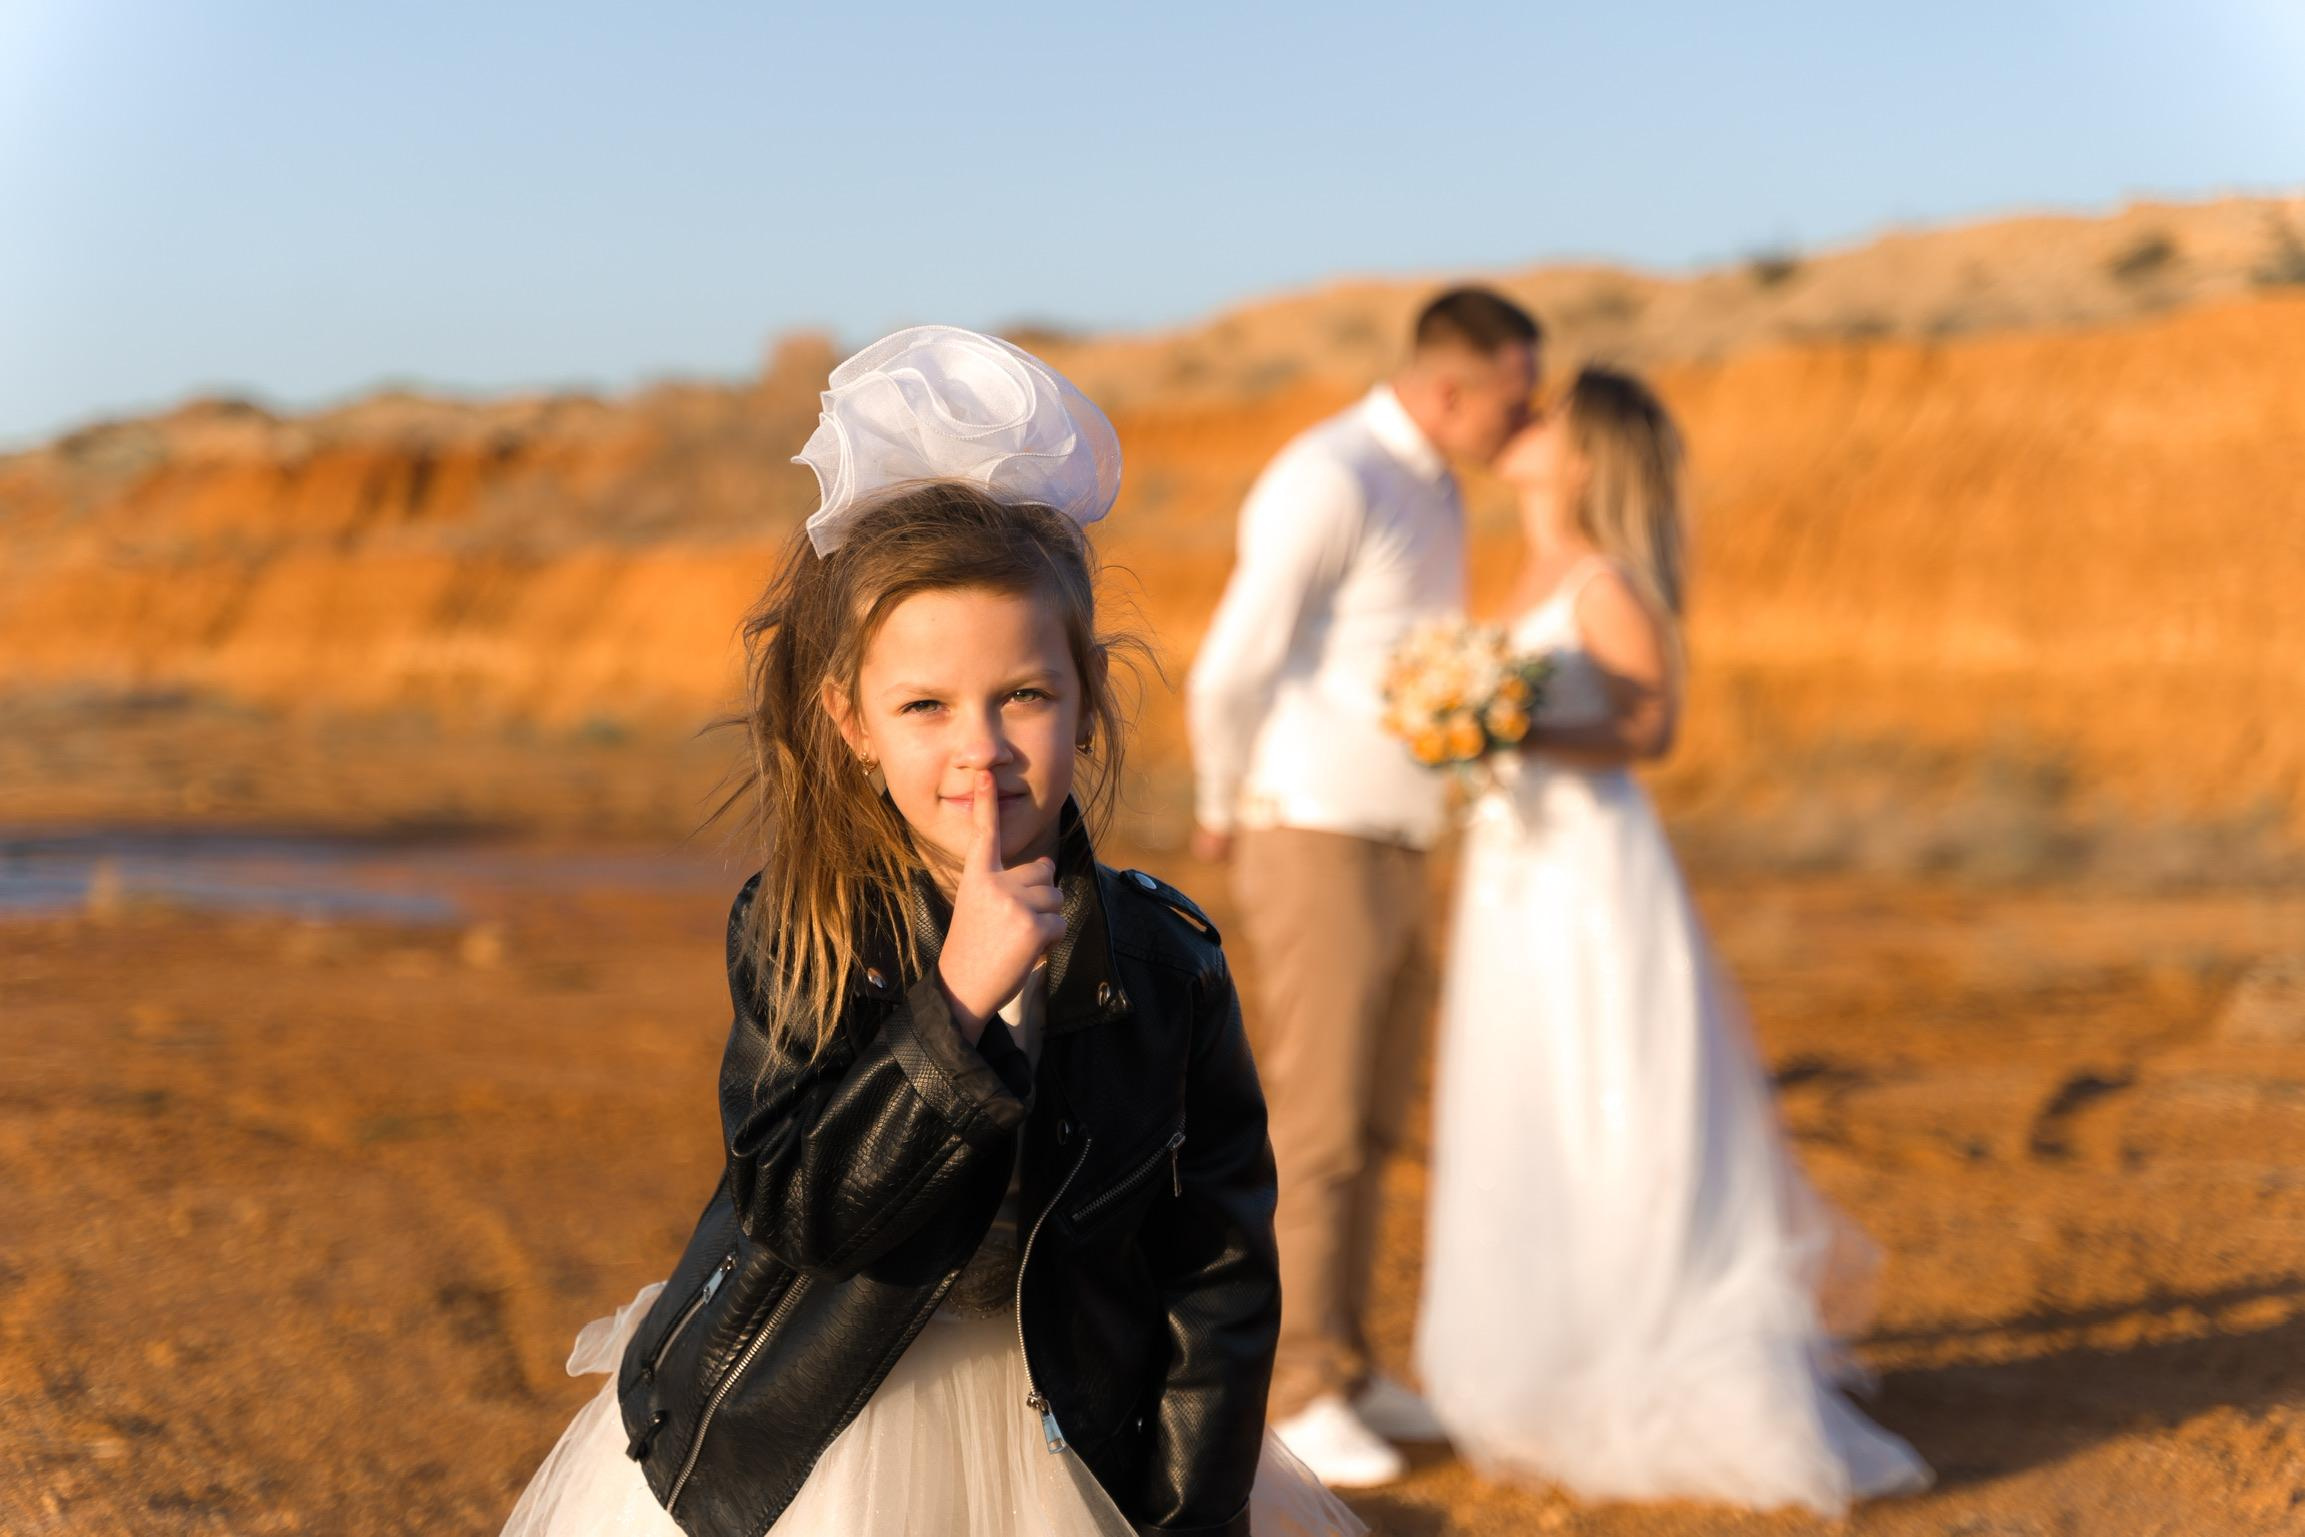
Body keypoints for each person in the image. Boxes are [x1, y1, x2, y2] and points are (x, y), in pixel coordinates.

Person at [501, 327, 1363, 1537]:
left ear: (1085, 699)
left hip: (1077, 1431)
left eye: (1023, 695)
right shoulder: (803, 930)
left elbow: (1215, 1271)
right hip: (824, 1434)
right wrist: (952, 1008)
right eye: (924, 705)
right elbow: (807, 1211)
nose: (981, 748)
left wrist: (1192, 1516)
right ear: (852, 722)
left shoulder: (1167, 959)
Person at [1413, 367, 1933, 1514]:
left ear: (1585, 458)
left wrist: (1510, 720)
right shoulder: (1529, 570)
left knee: (1615, 1093)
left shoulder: (1602, 580)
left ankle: (1653, 1347)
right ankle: (1551, 1360)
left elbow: (1652, 722)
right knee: (1528, 1097)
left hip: (1592, 877)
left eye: (1546, 420)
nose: (1524, 425)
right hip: (1516, 870)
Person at [1186, 289, 1541, 1487]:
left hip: (1401, 830)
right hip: (1315, 827)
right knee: (1320, 1117)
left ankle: (1345, 1359)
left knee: (1377, 1112)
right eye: (1514, 393)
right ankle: (1290, 1393)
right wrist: (1225, 799)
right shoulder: (1327, 474)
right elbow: (1235, 657)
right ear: (1449, 389)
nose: (1526, 414)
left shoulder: (1433, 482)